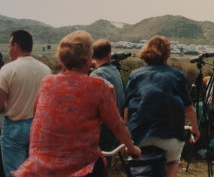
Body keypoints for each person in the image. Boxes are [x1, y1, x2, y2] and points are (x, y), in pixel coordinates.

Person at [13, 31, 141, 177]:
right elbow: (117, 126)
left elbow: (37, 114)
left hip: (39, 167)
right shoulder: (97, 86)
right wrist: (131, 147)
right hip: (80, 168)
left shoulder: (47, 83)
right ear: (88, 59)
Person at [124, 36, 200, 177]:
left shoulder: (135, 75)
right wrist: (195, 130)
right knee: (172, 161)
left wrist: (128, 131)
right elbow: (189, 108)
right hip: (169, 136)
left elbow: (127, 108)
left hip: (139, 135)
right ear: (167, 54)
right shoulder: (177, 75)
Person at [0, 30, 51, 177]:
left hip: (13, 128)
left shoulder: (7, 70)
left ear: (15, 46)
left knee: (14, 173)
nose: (9, 49)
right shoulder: (46, 70)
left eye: (9, 45)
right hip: (38, 127)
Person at [90, 39, 126, 170]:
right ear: (109, 55)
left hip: (102, 131)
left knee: (98, 168)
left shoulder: (97, 75)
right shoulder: (114, 71)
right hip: (112, 128)